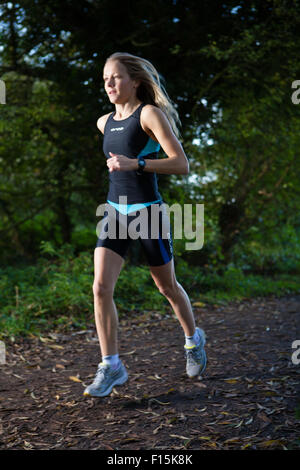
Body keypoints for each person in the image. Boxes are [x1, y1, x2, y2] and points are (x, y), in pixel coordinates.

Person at [83, 52, 206, 398]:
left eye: (116, 77)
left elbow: (180, 164)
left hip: (148, 212)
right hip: (113, 212)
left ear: (134, 81)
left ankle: (193, 340)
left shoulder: (149, 114)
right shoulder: (103, 122)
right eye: (105, 77)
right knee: (100, 288)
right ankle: (112, 365)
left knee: (167, 287)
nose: (109, 83)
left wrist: (135, 163)